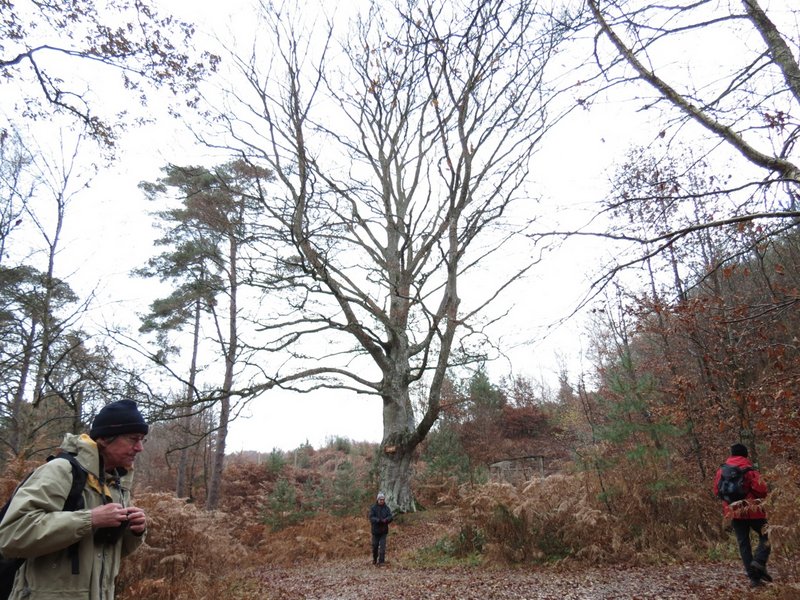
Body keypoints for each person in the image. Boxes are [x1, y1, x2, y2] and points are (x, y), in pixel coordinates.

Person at [0, 399, 150, 599]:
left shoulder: (116, 484)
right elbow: (11, 535)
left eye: (142, 439)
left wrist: (134, 531)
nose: (139, 448)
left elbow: (104, 554)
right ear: (105, 439)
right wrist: (90, 519)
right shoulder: (60, 470)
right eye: (133, 438)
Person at [713, 442, 771, 588]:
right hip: (753, 511)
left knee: (743, 543)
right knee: (768, 535)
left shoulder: (722, 471)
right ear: (746, 454)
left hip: (733, 513)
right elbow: (762, 490)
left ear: (731, 454)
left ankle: (754, 579)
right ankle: (758, 561)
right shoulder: (749, 469)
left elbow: (716, 491)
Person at [368, 492, 393, 566]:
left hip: (384, 531)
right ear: (377, 500)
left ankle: (381, 561)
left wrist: (386, 520)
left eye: (383, 499)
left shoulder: (387, 508)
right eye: (380, 499)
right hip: (375, 531)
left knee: (382, 547)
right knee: (375, 546)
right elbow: (371, 517)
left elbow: (391, 516)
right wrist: (378, 520)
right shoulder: (373, 508)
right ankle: (375, 559)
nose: (381, 501)